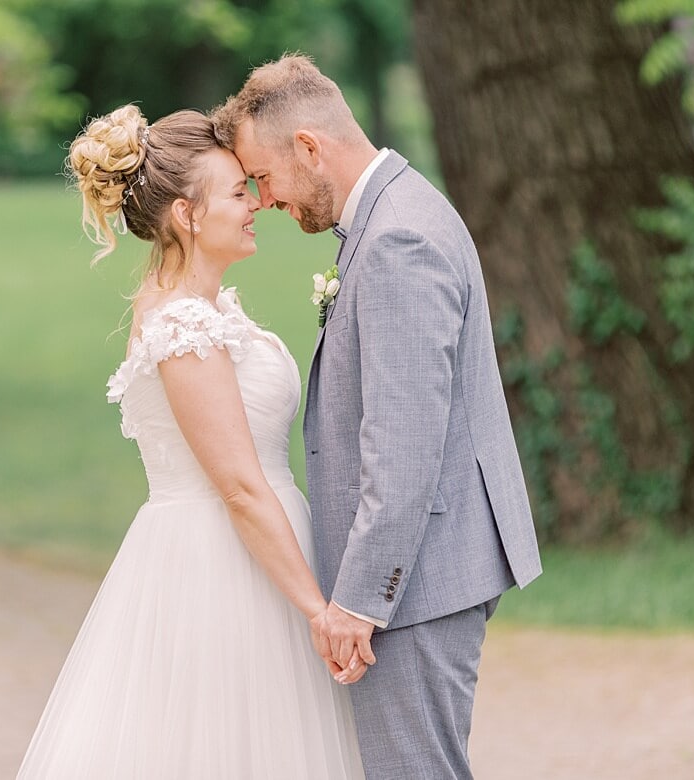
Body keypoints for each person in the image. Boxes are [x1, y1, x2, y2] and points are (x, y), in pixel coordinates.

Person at [213, 54, 543, 779]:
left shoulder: (398, 240)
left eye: (262, 179)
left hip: (416, 585)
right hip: (427, 572)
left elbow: (402, 447)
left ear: (308, 147)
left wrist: (360, 603)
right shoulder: (399, 211)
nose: (263, 201)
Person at [15, 105, 364, 778]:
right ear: (187, 215)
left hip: (260, 557)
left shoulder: (205, 310)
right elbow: (236, 485)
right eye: (237, 192)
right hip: (220, 572)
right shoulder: (181, 326)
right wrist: (317, 610)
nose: (256, 202)